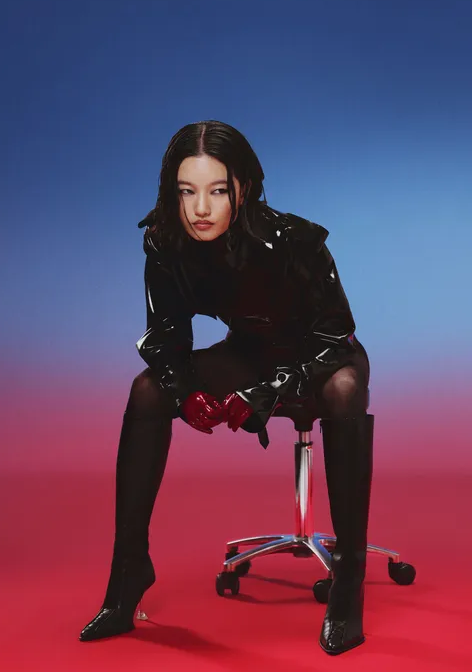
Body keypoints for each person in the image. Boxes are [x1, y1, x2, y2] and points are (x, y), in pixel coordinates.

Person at [79, 120, 373, 656]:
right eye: (186, 191)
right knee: (147, 389)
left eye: (217, 191)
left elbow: (336, 334)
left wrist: (269, 390)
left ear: (244, 187)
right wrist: (184, 389)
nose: (200, 208)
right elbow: (167, 335)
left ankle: (348, 578)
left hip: (320, 357)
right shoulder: (166, 241)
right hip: (249, 352)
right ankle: (128, 570)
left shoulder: (295, 240)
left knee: (346, 389)